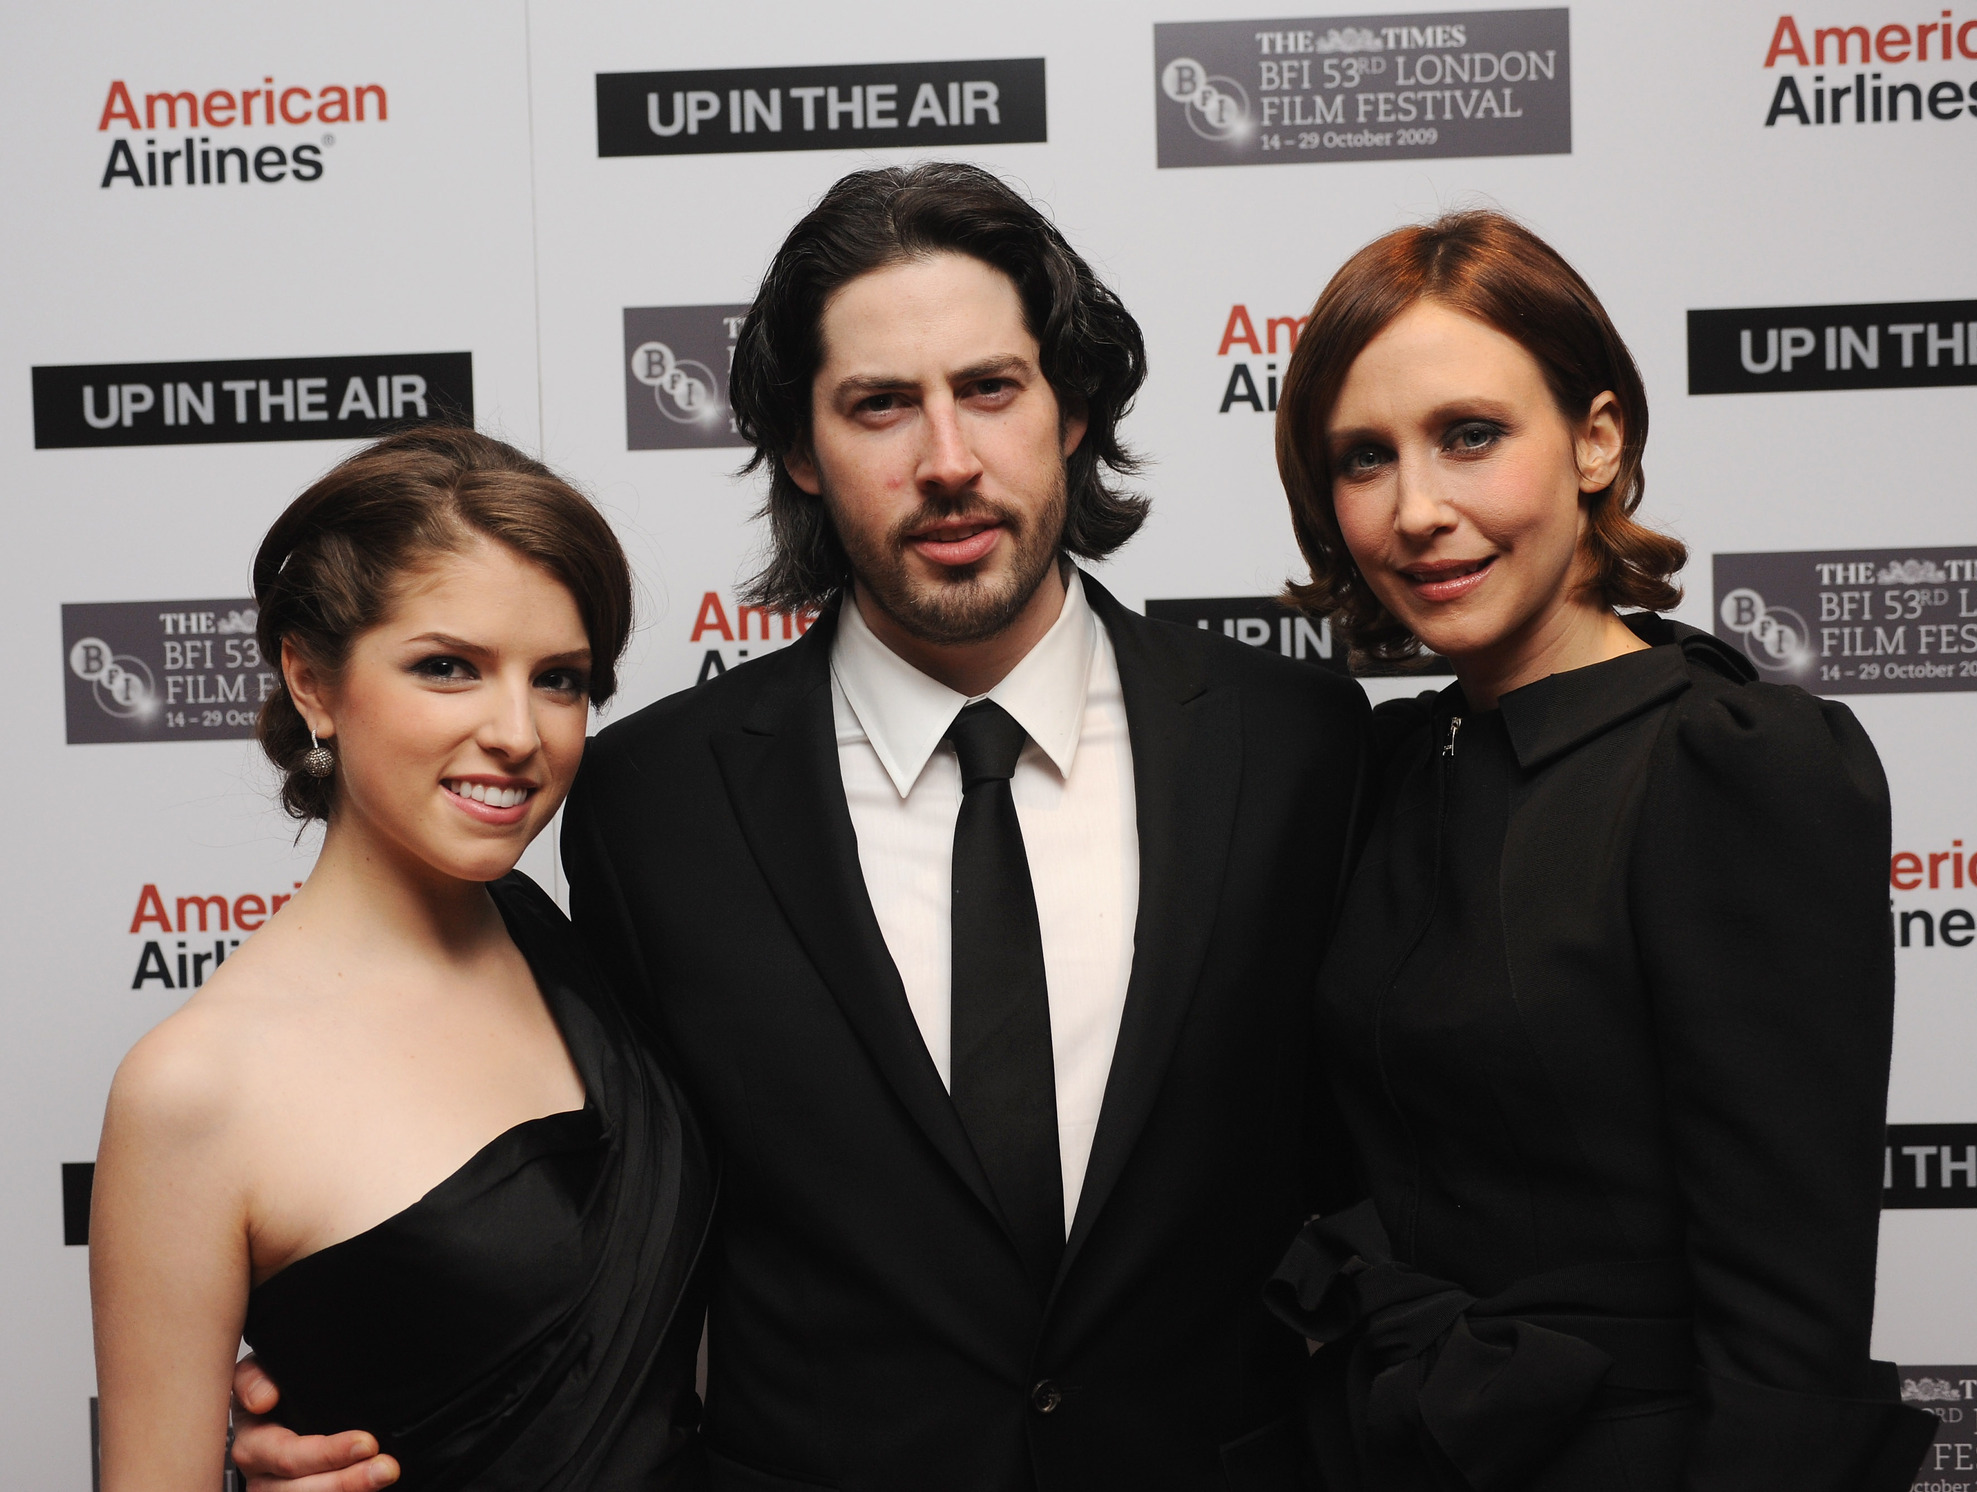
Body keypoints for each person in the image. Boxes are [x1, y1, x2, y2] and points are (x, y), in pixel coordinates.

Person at [232, 162, 1373, 1492]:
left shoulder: (1297, 744)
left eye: (991, 389)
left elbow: (1410, 1146)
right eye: (879, 406)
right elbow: (583, 1217)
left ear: (1069, 410)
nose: (947, 461)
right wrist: (350, 1396)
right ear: (798, 448)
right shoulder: (649, 803)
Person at [1260, 210, 1937, 1490]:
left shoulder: (1730, 760)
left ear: (1594, 438)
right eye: (1361, 457)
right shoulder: (1383, 767)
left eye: (1469, 435)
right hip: (1387, 1446)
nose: (1416, 510)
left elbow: (1788, 1330)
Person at [91, 427, 714, 1492]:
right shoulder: (194, 1089)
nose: (518, 730)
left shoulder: (559, 941)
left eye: (559, 679)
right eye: (447, 667)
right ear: (312, 681)